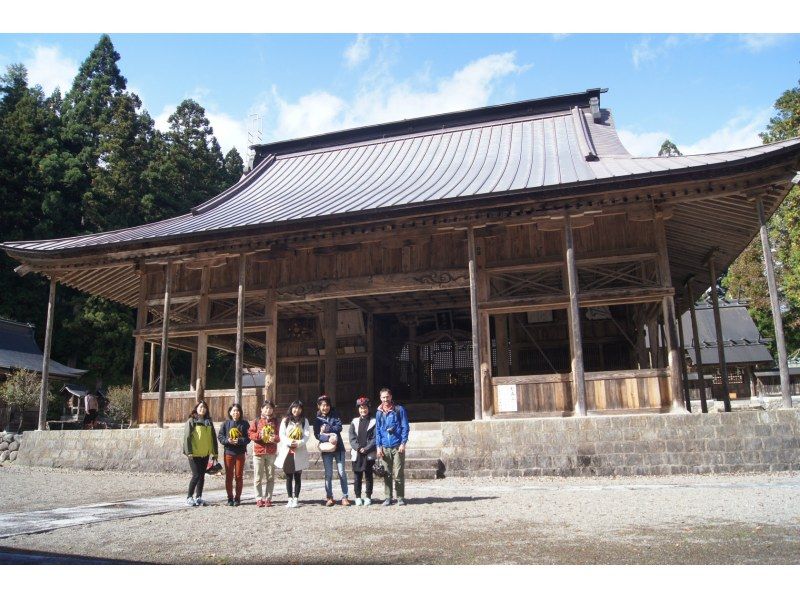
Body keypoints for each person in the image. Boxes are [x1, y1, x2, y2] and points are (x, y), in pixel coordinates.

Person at [313, 395, 351, 507]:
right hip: (326, 448)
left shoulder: (335, 414)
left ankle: (345, 496)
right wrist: (327, 438)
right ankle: (329, 497)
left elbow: (339, 427)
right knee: (328, 474)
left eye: (327, 405)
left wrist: (328, 429)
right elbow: (317, 434)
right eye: (323, 405)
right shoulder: (317, 419)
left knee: (342, 472)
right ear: (319, 406)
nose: (325, 407)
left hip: (339, 447)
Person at [375, 387, 410, 506]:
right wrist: (378, 447)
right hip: (385, 446)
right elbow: (378, 430)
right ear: (380, 398)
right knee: (387, 473)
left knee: (399, 473)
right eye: (383, 397)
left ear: (391, 397)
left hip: (397, 446)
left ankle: (400, 497)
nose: (385, 399)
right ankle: (388, 497)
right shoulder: (379, 413)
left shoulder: (399, 410)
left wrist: (403, 443)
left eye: (387, 397)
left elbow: (405, 427)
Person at [275, 400, 311, 508]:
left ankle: (296, 499)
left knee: (298, 476)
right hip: (287, 451)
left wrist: (298, 443)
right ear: (291, 408)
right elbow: (281, 434)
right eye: (295, 408)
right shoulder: (285, 421)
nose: (297, 410)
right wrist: (290, 443)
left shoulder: (304, 421)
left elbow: (306, 435)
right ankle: (289, 498)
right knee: (289, 476)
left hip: (299, 451)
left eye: (299, 408)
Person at [182, 400, 218, 507]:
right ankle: (189, 497)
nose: (202, 409)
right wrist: (188, 451)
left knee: (202, 476)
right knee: (196, 475)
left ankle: (198, 497)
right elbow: (187, 437)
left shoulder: (208, 422)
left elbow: (213, 438)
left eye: (204, 407)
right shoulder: (192, 421)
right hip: (194, 454)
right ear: (196, 408)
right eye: (200, 407)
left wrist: (214, 452)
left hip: (205, 453)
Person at [217, 403, 250, 506]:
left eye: (238, 411)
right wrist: (228, 440)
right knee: (229, 476)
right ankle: (230, 498)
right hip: (229, 453)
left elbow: (248, 438)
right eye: (234, 411)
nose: (236, 412)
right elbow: (220, 437)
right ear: (230, 412)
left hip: (240, 453)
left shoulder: (245, 424)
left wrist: (239, 441)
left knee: (239, 476)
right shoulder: (226, 424)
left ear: (240, 412)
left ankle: (237, 498)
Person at [248, 400, 279, 507]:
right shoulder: (256, 421)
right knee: (258, 477)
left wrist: (274, 438)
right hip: (258, 452)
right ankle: (258, 498)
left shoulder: (275, 421)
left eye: (270, 408)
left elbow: (280, 436)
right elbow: (251, 434)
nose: (268, 410)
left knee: (270, 477)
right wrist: (259, 435)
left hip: (271, 452)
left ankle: (268, 498)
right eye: (266, 408)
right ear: (261, 409)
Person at [348, 396, 376, 506]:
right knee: (357, 476)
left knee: (368, 476)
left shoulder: (374, 421)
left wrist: (368, 448)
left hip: (369, 453)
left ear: (368, 408)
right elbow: (352, 437)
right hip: (357, 452)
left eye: (364, 407)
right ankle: (358, 496)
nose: (363, 410)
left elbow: (375, 438)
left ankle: (368, 496)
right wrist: (358, 448)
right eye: (360, 408)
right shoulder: (354, 422)